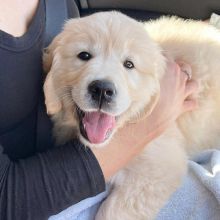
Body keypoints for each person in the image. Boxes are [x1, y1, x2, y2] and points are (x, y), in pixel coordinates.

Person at [0, 0, 198, 219]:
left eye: (128, 64)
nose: (104, 85)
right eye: (85, 55)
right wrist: (151, 123)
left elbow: (164, 170)